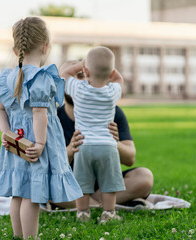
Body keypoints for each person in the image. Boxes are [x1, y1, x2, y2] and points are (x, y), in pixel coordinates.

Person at [0, 17, 82, 239]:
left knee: (18, 193)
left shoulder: (9, 77)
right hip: (34, 145)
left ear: (16, 50)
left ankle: (17, 235)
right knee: (32, 195)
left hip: (17, 144)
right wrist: (41, 143)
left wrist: (7, 132)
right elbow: (39, 112)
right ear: (45, 47)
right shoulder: (41, 77)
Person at [53, 60, 153, 212]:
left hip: (105, 182)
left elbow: (130, 159)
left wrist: (114, 142)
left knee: (144, 177)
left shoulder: (113, 112)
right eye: (70, 78)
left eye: (80, 76)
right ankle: (106, 206)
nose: (74, 81)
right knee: (44, 184)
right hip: (72, 184)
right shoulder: (53, 118)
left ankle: (86, 205)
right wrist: (71, 150)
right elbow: (51, 166)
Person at [61, 47, 125, 223]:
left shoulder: (79, 90)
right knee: (109, 183)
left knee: (81, 182)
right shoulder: (112, 92)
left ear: (86, 71)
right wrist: (108, 69)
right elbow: (119, 78)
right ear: (111, 72)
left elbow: (64, 74)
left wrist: (81, 65)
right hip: (107, 146)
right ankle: (109, 213)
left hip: (84, 145)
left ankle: (82, 213)